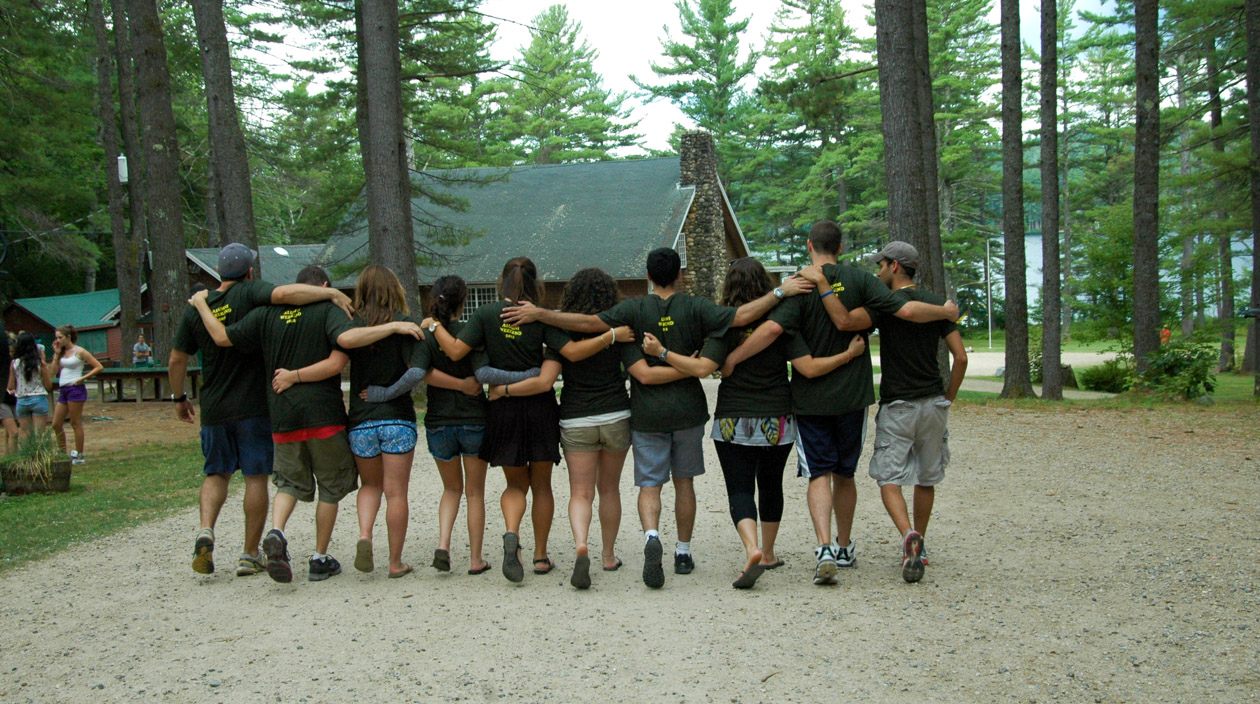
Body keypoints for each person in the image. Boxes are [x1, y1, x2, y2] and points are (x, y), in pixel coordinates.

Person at [501, 247, 813, 588]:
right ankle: (681, 551)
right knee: (682, 482)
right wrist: (780, 291)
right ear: (679, 275)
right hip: (686, 411)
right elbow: (739, 319)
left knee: (640, 485)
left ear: (648, 277)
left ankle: (647, 536)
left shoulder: (634, 309)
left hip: (642, 414)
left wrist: (542, 314)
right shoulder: (696, 307)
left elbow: (593, 327)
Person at [720, 222, 958, 586]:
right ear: (841, 246)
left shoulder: (799, 285)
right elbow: (907, 311)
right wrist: (944, 312)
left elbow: (770, 330)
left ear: (809, 244)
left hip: (810, 398)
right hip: (852, 396)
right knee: (845, 475)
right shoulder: (864, 282)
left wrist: (734, 357)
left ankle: (824, 547)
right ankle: (845, 546)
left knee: (818, 473)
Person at [641, 258, 864, 589]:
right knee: (771, 485)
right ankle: (770, 553)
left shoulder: (723, 325)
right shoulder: (782, 322)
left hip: (733, 418)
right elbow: (807, 367)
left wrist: (663, 353)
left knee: (740, 488)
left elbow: (705, 366)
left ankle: (752, 548)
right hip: (778, 417)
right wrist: (849, 354)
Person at [192, 264, 420, 583]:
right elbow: (340, 360)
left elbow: (221, 338)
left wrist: (201, 303)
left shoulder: (267, 315)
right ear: (323, 286)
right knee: (338, 489)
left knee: (290, 483)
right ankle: (326, 556)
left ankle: (279, 530)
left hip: (286, 415)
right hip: (328, 415)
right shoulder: (331, 313)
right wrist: (394, 328)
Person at [424, 257, 632, 583]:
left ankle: (511, 534)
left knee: (514, 484)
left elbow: (455, 352)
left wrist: (434, 325)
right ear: (536, 284)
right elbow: (566, 357)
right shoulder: (542, 319)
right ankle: (540, 556)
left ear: (501, 282)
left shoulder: (486, 315)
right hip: (539, 409)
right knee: (543, 486)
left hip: (502, 410)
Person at [170, 242, 355, 577]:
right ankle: (256, 553)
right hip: (263, 406)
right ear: (250, 272)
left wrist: (179, 397)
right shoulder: (253, 294)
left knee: (222, 474)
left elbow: (185, 354)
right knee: (260, 479)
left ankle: (210, 530)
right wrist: (330, 297)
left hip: (220, 406)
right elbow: (285, 296)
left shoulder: (212, 309)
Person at [362, 276, 496, 576]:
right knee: (474, 493)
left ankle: (444, 544)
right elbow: (482, 374)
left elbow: (418, 374)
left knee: (451, 489)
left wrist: (382, 392)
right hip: (474, 420)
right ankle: (476, 559)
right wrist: (466, 385)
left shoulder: (425, 336)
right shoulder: (469, 332)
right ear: (463, 303)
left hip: (438, 423)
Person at [298, 265, 421, 579]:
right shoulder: (405, 323)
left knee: (370, 486)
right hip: (397, 420)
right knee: (396, 493)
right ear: (395, 289)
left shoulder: (351, 323)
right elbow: (414, 372)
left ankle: (365, 534)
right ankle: (395, 563)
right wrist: (389, 392)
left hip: (361, 421)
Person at [862, 242, 967, 582]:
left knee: (888, 478)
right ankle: (920, 544)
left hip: (899, 404)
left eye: (880, 265)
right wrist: (948, 396)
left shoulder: (885, 303)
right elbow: (961, 358)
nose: (877, 271)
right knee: (926, 476)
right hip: (933, 402)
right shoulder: (939, 304)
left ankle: (908, 534)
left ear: (894, 266)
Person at [552, 268, 637, 589]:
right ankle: (609, 555)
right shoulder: (617, 324)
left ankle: (580, 546)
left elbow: (566, 358)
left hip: (576, 416)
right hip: (615, 412)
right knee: (610, 489)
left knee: (581, 492)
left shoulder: (563, 328)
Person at [50, 325, 103, 464]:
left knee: (75, 422)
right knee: (56, 423)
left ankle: (79, 454)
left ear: (68, 337)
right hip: (63, 389)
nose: (58, 340)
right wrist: (56, 354)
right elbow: (52, 372)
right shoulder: (60, 353)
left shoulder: (80, 351)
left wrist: (82, 378)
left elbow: (98, 367)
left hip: (75, 389)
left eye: (60, 337)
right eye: (56, 338)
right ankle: (62, 451)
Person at [8, 333, 52, 439]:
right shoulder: (40, 363)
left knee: (25, 433)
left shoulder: (15, 363)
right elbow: (48, 385)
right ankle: (40, 454)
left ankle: (27, 455)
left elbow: (11, 386)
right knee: (40, 433)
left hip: (22, 400)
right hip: (38, 398)